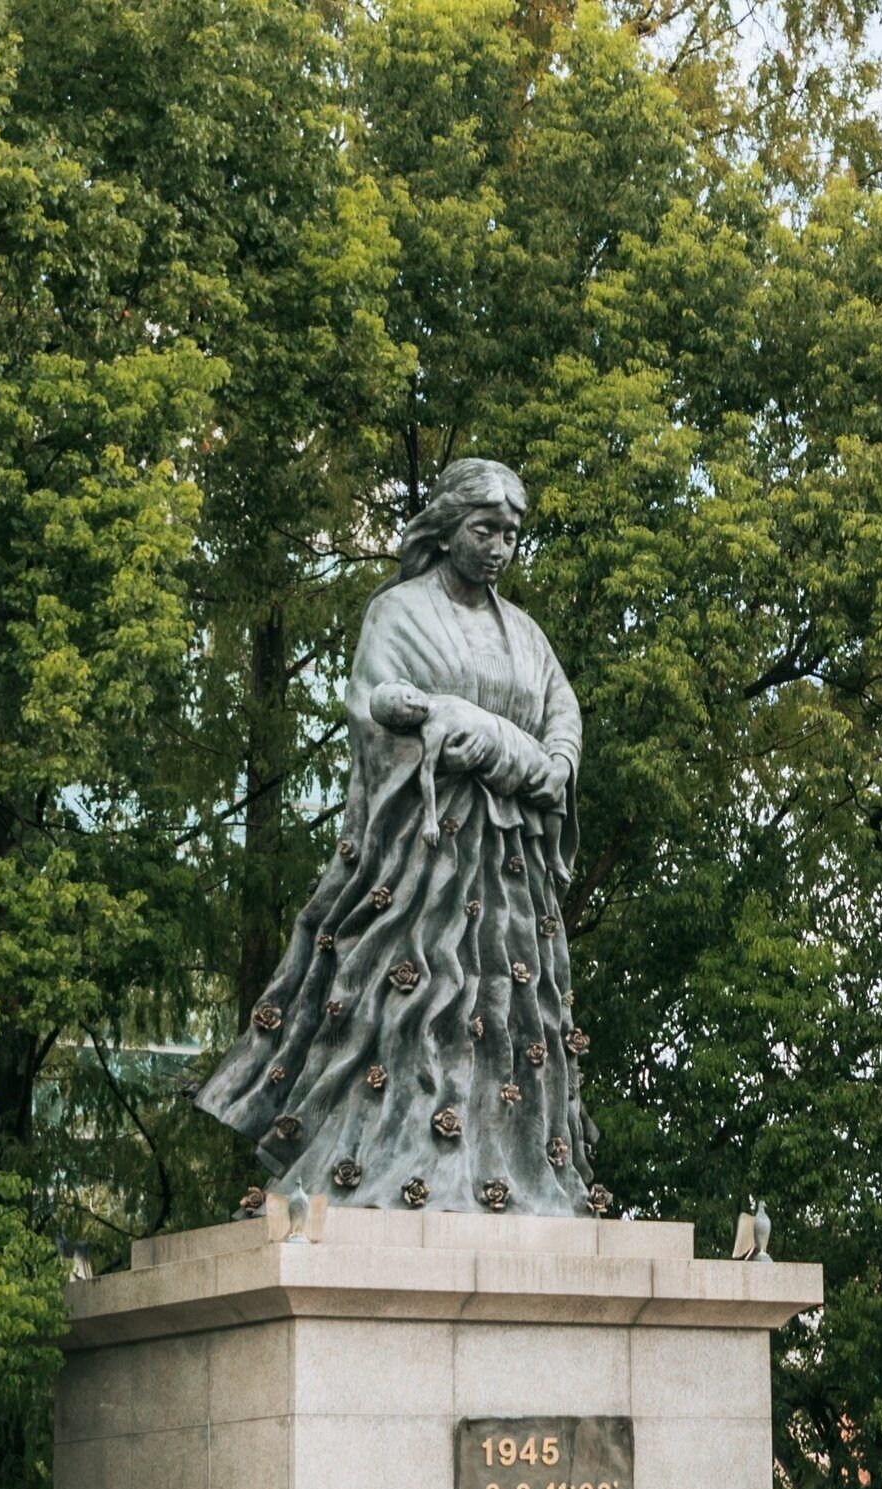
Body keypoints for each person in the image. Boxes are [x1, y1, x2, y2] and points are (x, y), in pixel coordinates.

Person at [201, 459, 601, 1215]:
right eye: (484, 530)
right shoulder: (399, 613)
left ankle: (512, 1170)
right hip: (428, 864)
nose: (498, 547)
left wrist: (552, 761)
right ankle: (393, 1164)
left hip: (514, 873)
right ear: (447, 528)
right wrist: (474, 742)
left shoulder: (525, 632)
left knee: (516, 1016)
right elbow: (373, 711)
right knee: (414, 1006)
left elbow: (562, 714)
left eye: (511, 535)